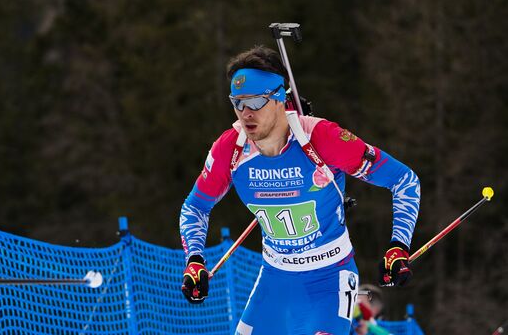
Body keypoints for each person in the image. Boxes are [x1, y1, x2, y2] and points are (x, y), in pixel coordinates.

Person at [179, 45, 420, 335]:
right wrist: (194, 259)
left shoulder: (321, 138)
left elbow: (404, 180)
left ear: (279, 97)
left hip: (329, 281)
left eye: (255, 101)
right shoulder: (230, 149)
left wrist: (399, 246)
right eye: (238, 102)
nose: (246, 113)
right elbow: (195, 206)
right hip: (275, 281)